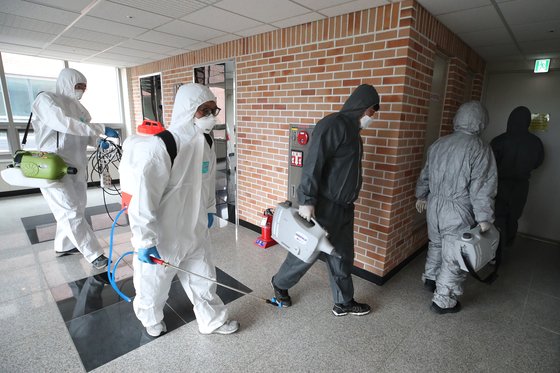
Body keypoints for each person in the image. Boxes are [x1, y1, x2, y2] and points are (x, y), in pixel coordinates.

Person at [119, 83, 238, 337]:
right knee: (154, 283)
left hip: (194, 229)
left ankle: (212, 320)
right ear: (188, 110)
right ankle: (150, 318)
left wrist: (208, 209)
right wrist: (144, 240)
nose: (210, 116)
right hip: (164, 235)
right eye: (203, 110)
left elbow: (206, 182)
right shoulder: (163, 146)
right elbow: (143, 199)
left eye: (213, 110)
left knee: (204, 277)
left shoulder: (205, 141)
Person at [271, 84, 380, 317]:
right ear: (362, 106)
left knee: (341, 254)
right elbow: (313, 163)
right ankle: (280, 284)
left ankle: (344, 301)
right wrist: (307, 200)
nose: (372, 116)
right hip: (324, 206)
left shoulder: (354, 134)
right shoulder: (333, 125)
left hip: (344, 208)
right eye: (371, 111)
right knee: (306, 254)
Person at [415, 101, 497, 314]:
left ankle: (431, 278)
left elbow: (425, 174)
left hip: (434, 205)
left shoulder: (439, 143)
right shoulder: (479, 148)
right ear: (480, 122)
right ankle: (443, 300)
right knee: (453, 254)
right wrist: (484, 218)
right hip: (458, 208)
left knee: (436, 244)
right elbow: (482, 187)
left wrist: (421, 195)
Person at [31, 68, 115, 269]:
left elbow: (83, 130)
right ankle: (94, 254)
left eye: (84, 88)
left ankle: (64, 245)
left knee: (75, 209)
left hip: (77, 167)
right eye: (78, 86)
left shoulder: (80, 109)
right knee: (69, 211)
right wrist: (101, 129)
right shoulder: (46, 100)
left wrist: (97, 140)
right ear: (66, 83)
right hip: (52, 166)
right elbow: (64, 123)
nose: (81, 91)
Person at [491, 106, 544, 246]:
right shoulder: (535, 142)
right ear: (528, 121)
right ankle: (507, 245)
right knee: (513, 217)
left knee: (497, 216)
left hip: (499, 184)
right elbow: (538, 163)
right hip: (521, 185)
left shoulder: (499, 140)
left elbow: (488, 165)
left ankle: (495, 250)